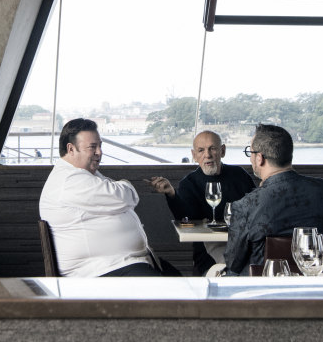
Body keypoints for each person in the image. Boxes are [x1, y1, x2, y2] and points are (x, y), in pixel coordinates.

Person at [40, 118, 178, 277]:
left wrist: (119, 189)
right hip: (100, 270)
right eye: (92, 147)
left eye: (100, 146)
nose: (99, 152)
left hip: (121, 263)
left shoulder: (84, 173)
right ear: (71, 149)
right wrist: (125, 183)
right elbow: (125, 198)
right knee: (175, 294)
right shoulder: (70, 180)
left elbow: (117, 197)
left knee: (185, 287)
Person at [224, 124, 323, 275]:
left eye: (250, 153)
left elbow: (233, 262)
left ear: (259, 158)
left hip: (264, 292)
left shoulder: (246, 205)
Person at [148, 130, 256, 275]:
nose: (207, 155)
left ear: (222, 151)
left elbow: (255, 209)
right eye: (201, 150)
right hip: (209, 252)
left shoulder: (240, 175)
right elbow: (186, 219)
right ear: (194, 155)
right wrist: (172, 194)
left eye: (212, 148)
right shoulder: (189, 183)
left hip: (244, 245)